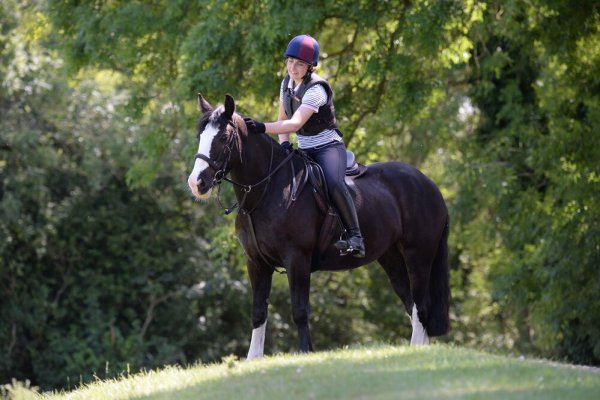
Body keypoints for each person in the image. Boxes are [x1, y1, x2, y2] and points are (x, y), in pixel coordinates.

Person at [244, 34, 365, 258]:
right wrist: (285, 145)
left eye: (299, 64)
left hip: (328, 147)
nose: (293, 67)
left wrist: (261, 127)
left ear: (310, 67)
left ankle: (355, 237)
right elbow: (282, 121)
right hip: (305, 148)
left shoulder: (316, 89)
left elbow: (295, 122)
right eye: (290, 61)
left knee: (333, 182)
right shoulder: (286, 84)